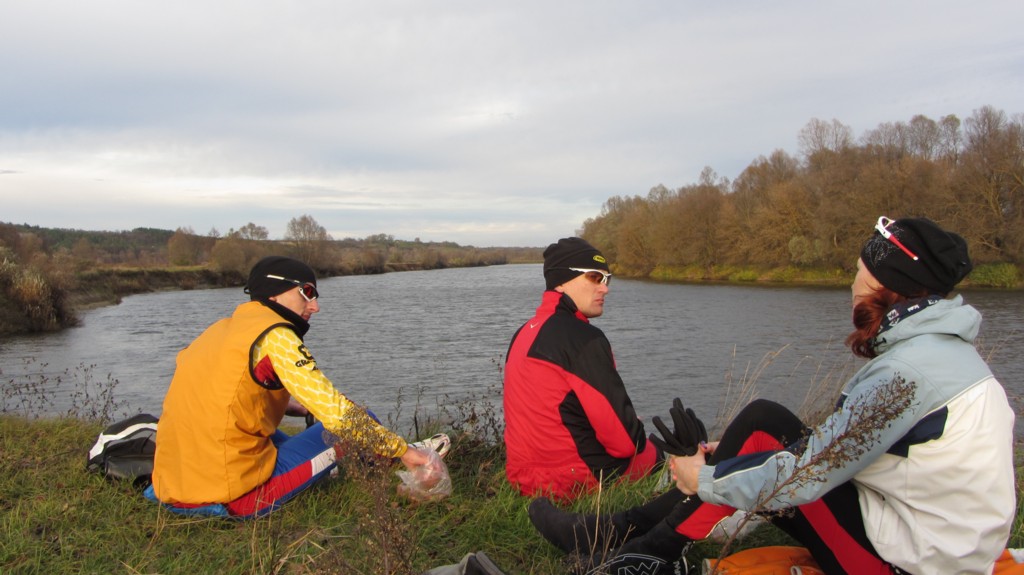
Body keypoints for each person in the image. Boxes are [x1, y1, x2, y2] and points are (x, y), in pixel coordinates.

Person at [529, 217, 1016, 574]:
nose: (851, 284)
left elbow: (811, 472)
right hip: (933, 549)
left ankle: (638, 555)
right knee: (761, 430)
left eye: (859, 272)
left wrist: (704, 479)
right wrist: (727, 458)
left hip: (902, 566)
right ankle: (621, 536)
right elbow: (852, 451)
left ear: (887, 286)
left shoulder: (908, 374)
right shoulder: (941, 357)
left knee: (761, 427)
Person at [148, 255, 434, 518]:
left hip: (171, 487)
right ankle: (401, 468)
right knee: (359, 420)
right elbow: (337, 413)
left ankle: (346, 462)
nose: (315, 306)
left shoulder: (218, 331)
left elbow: (222, 394)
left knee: (273, 430)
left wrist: (292, 406)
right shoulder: (277, 336)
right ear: (274, 292)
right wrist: (402, 450)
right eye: (307, 292)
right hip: (235, 498)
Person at [503, 237, 662, 501]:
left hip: (521, 478)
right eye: (594, 277)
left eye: (607, 279)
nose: (605, 288)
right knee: (659, 451)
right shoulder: (584, 339)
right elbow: (626, 444)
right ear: (562, 281)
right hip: (571, 481)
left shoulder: (522, 333)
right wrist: (634, 429)